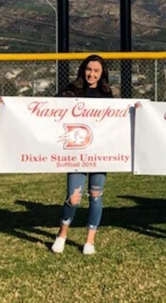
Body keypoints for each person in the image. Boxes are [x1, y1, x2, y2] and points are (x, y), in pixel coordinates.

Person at [51, 54, 114, 255]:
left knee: (96, 195)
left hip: (99, 153)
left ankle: (90, 240)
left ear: (102, 73)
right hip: (76, 153)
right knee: (74, 197)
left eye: (96, 70)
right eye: (88, 69)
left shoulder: (107, 94)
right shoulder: (71, 91)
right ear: (82, 70)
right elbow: (44, 106)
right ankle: (62, 234)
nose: (91, 74)